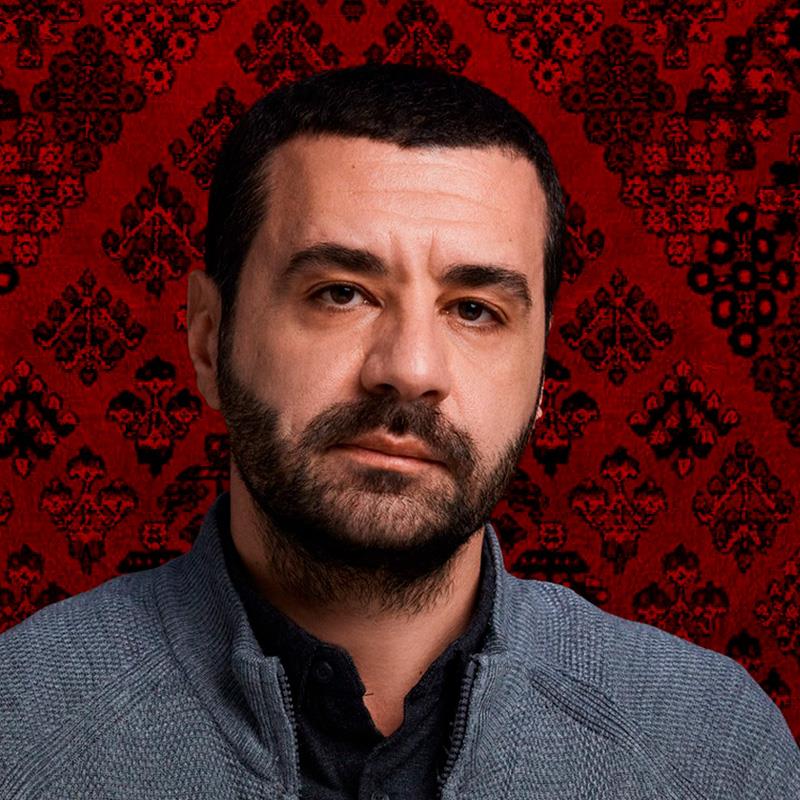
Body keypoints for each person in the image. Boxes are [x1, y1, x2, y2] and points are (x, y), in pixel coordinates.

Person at [0, 63, 797, 800]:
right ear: (209, 340)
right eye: (341, 293)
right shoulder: (23, 729)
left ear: (542, 373)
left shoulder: (711, 751)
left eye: (475, 310)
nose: (410, 369)